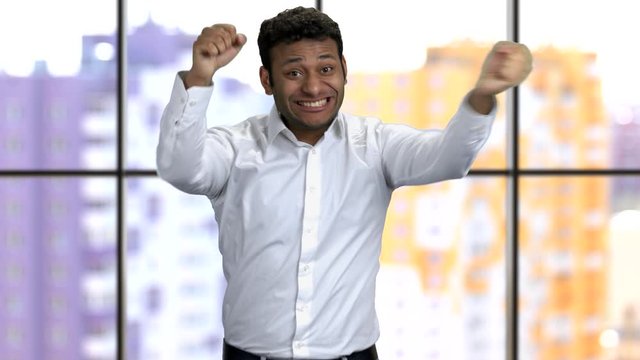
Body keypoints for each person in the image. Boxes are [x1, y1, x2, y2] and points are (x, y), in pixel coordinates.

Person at [156, 6, 532, 360]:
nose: (314, 87)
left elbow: (449, 157)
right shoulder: (235, 149)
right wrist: (200, 76)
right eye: (294, 73)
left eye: (326, 69)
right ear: (267, 81)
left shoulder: (376, 145)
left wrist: (483, 96)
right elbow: (180, 168)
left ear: (344, 70)